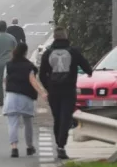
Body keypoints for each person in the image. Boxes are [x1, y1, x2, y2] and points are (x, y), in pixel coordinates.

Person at [39, 26, 92, 160]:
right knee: (66, 118)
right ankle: (61, 146)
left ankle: (58, 143)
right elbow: (87, 68)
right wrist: (88, 73)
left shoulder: (48, 53)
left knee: (57, 118)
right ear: (66, 37)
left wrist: (48, 87)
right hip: (69, 90)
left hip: (54, 91)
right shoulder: (73, 52)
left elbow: (41, 74)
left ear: (55, 37)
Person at [2, 42, 47, 158]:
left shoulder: (9, 65)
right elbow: (32, 80)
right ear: (26, 52)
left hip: (11, 97)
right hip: (26, 98)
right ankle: (29, 147)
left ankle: (14, 148)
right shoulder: (29, 66)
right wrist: (42, 93)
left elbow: (5, 80)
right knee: (28, 123)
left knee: (12, 123)